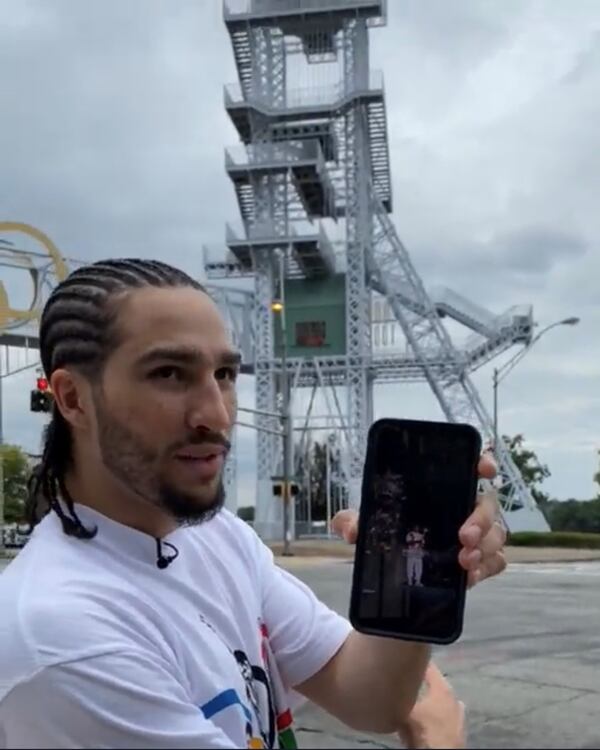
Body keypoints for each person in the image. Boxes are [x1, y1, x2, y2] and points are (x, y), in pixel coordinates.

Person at [0, 259, 506, 749]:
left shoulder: (218, 536)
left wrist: (415, 566)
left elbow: (366, 696)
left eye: (223, 374)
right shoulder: (63, 636)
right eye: (170, 374)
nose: (217, 415)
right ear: (72, 399)